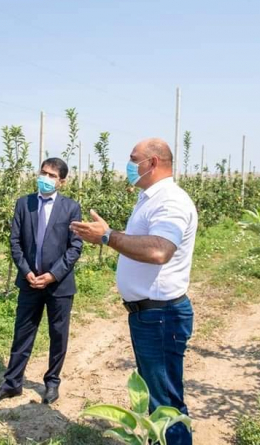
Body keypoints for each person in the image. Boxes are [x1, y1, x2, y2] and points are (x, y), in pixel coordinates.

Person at [70, 138, 197, 445]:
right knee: (158, 398)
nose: (127, 165)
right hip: (150, 316)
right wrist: (110, 235)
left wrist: (108, 237)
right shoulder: (150, 198)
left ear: (152, 162)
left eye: (132, 158)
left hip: (160, 317)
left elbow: (159, 251)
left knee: (166, 403)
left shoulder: (170, 201)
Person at [0, 158, 83, 406]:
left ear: (62, 182)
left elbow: (75, 247)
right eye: (43, 173)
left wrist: (53, 275)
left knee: (58, 334)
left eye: (51, 175)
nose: (45, 178)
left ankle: (52, 383)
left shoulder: (71, 208)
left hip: (58, 285)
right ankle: (12, 383)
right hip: (29, 282)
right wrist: (26, 271)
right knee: (22, 332)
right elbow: (15, 243)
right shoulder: (24, 204)